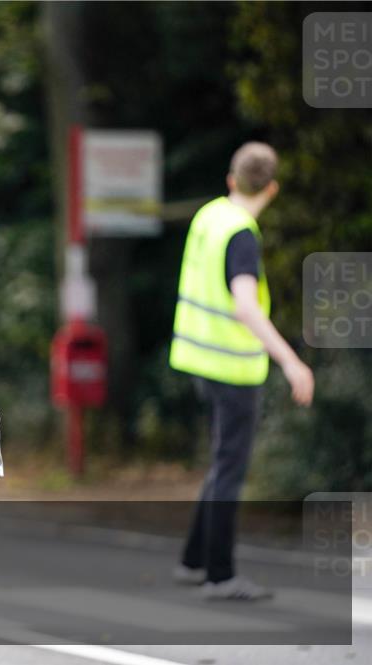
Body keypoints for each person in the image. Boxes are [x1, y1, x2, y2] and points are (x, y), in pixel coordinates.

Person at [169, 142, 314, 601]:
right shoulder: (242, 234)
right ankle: (220, 574)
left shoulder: (209, 216)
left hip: (197, 360)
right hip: (232, 368)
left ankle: (195, 561)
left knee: (220, 462)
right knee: (229, 468)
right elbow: (246, 307)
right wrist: (291, 362)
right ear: (271, 188)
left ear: (232, 180)